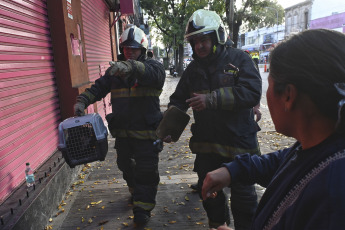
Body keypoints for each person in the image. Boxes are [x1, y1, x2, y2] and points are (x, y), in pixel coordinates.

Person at [202, 29, 345, 230]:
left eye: (269, 84)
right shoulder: (318, 147)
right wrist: (234, 169)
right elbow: (285, 161)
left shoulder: (333, 192)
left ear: (288, 95)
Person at [163, 9, 262, 229]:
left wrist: (212, 100)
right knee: (210, 196)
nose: (199, 46)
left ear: (217, 36)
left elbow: (251, 92)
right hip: (208, 148)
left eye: (204, 40)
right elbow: (179, 100)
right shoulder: (192, 70)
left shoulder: (239, 60)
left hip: (240, 145)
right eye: (195, 41)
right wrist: (169, 126)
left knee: (244, 199)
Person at [74, 25, 166, 225]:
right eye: (126, 48)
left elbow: (154, 75)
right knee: (124, 165)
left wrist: (132, 67)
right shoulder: (114, 72)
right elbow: (98, 88)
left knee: (147, 171)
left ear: (143, 50)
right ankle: (135, 191)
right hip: (124, 134)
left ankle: (143, 210)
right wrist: (82, 101)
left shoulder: (153, 68)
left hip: (147, 135)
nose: (129, 52)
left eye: (133, 48)